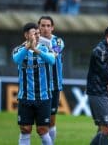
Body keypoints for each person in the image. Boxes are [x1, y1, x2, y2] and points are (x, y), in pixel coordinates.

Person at [12, 22, 55, 145]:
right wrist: (28, 47)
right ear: (26, 35)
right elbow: (17, 60)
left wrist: (36, 49)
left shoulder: (45, 47)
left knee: (43, 130)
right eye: (33, 33)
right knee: (25, 129)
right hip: (25, 97)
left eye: (38, 33)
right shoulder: (18, 49)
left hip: (44, 96)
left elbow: (52, 60)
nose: (36, 35)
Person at [38, 16, 65, 144]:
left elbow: (54, 54)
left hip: (54, 86)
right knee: (35, 124)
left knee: (51, 121)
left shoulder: (58, 41)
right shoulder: (33, 41)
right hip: (38, 87)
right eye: (43, 25)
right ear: (38, 27)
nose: (45, 28)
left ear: (52, 27)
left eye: (48, 26)